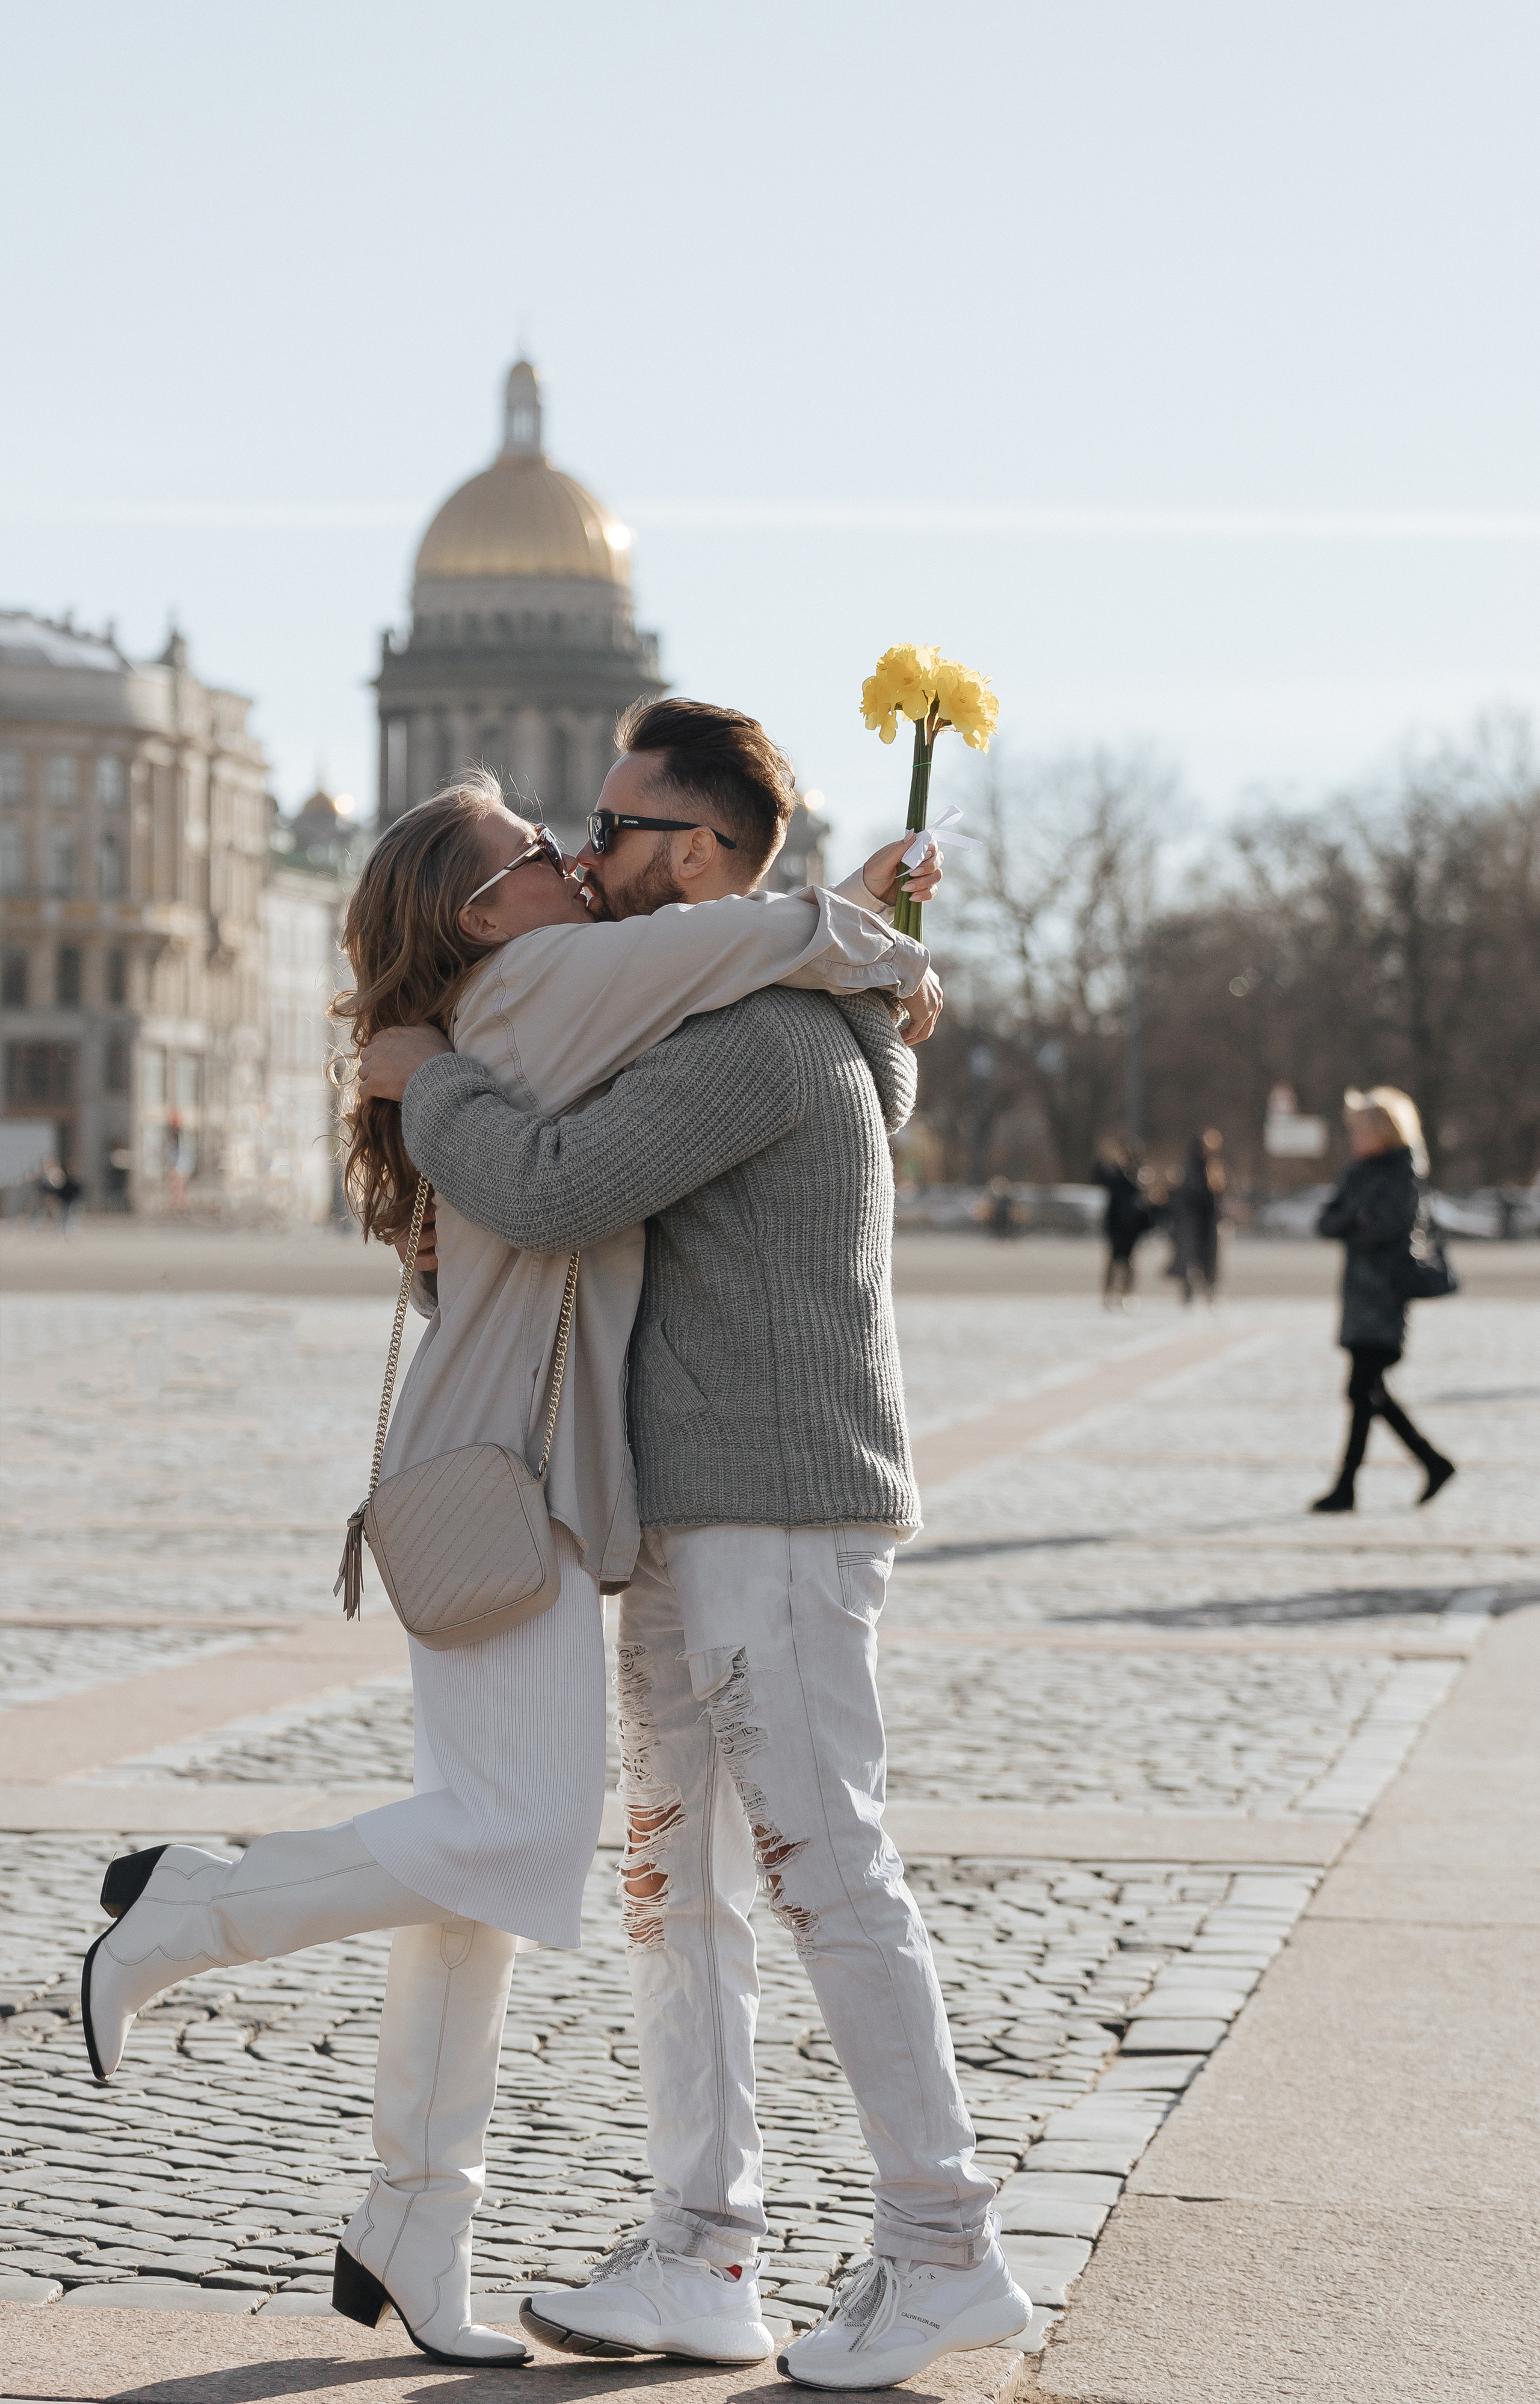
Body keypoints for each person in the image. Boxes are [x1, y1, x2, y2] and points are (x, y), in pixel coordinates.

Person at [77, 750, 936, 2372]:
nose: (570, 854)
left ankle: (419, 2212)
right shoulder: (549, 980)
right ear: (483, 913)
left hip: (510, 1462)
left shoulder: (533, 1000)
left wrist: (870, 986)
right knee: (513, 1835)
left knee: (478, 1856)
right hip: (503, 1475)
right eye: (539, 845)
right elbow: (756, 940)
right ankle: (189, 1908)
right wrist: (875, 937)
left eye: (585, 832)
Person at [362, 697, 1034, 2392]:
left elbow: (557, 1184)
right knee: (679, 1890)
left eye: (616, 829)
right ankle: (702, 2248)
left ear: (708, 852)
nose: (585, 857)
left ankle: (944, 2245)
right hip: (692, 1507)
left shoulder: (757, 1030)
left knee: (824, 1866)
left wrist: (428, 1082)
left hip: (775, 1508)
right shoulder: (726, 997)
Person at [1311, 1086, 1455, 1514]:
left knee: (1362, 1390)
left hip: (1386, 1298)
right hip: (1359, 1298)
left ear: (1384, 1132)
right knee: (1367, 1392)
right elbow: (1327, 1223)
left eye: (1361, 1130)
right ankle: (1432, 1463)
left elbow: (1382, 1230)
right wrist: (1356, 1218)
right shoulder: (1357, 1174)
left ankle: (1349, 1487)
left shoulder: (1402, 1173)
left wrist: (1356, 1220)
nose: (1354, 1138)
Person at [1092, 1136, 1149, 1307]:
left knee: (1129, 1261)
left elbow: (1142, 1196)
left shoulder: (1138, 1174)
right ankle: (1109, 1294)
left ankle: (1126, 1294)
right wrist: (1101, 1158)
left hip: (1131, 1225)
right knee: (1113, 1260)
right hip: (1116, 1223)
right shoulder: (1115, 1174)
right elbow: (1098, 1177)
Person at [1169, 1129, 1224, 1304]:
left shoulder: (1213, 1167)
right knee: (1190, 1258)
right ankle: (1188, 1292)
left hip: (1208, 1222)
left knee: (1208, 1260)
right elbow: (1185, 1195)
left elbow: (1217, 1196)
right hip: (1192, 1222)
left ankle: (1209, 1291)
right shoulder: (1190, 1168)